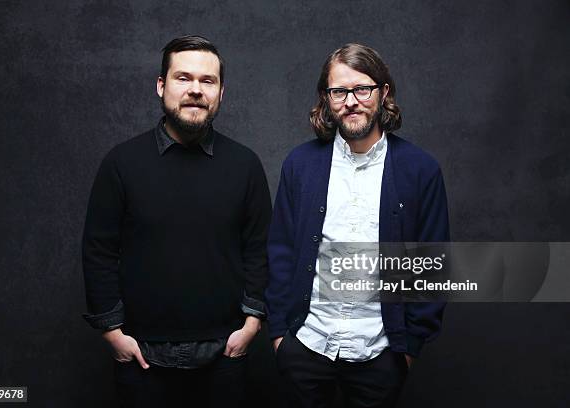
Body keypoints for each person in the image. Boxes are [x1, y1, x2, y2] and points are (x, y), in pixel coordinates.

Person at [81, 35, 271, 407]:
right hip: (142, 357)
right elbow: (98, 250)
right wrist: (112, 333)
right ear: (161, 85)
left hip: (224, 356)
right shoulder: (121, 163)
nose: (196, 90)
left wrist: (252, 325)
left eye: (207, 81)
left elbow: (259, 248)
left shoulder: (245, 165)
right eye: (184, 78)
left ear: (221, 93)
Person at [266, 43, 450, 408]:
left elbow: (432, 263)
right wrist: (279, 337)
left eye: (362, 88)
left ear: (384, 93)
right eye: (339, 91)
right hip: (307, 344)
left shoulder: (420, 170)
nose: (351, 100)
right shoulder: (300, 165)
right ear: (326, 98)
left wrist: (408, 349)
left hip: (381, 353)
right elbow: (281, 250)